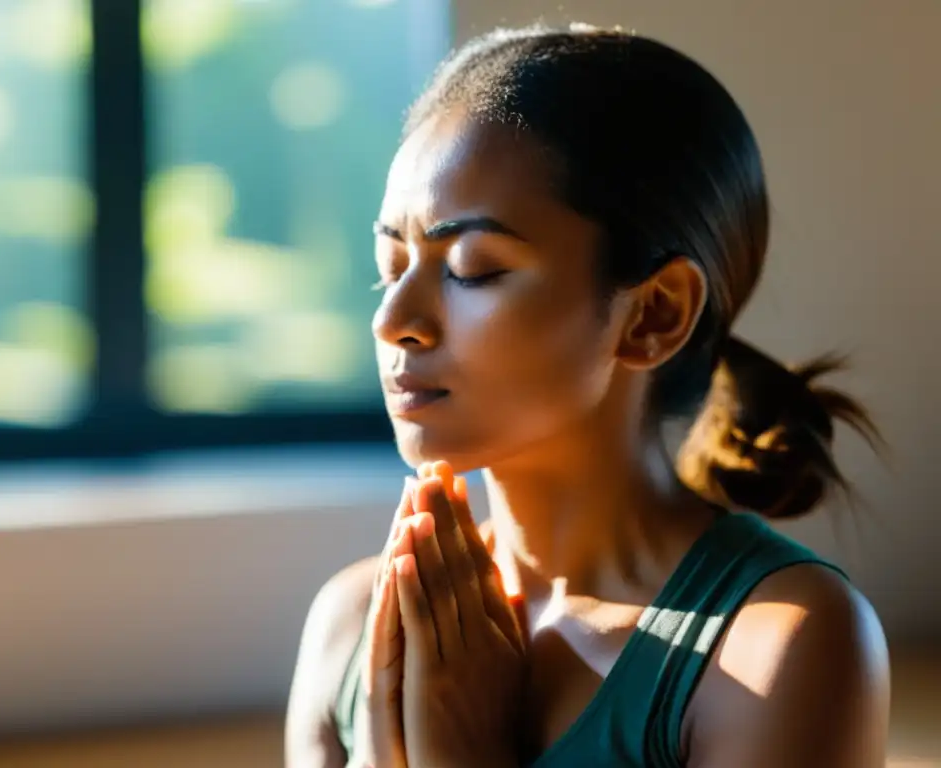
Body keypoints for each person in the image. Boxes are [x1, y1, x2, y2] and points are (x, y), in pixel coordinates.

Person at [285, 23, 890, 768]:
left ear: (653, 314)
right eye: (391, 263)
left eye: (471, 268)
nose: (392, 321)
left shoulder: (780, 647)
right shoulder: (351, 626)